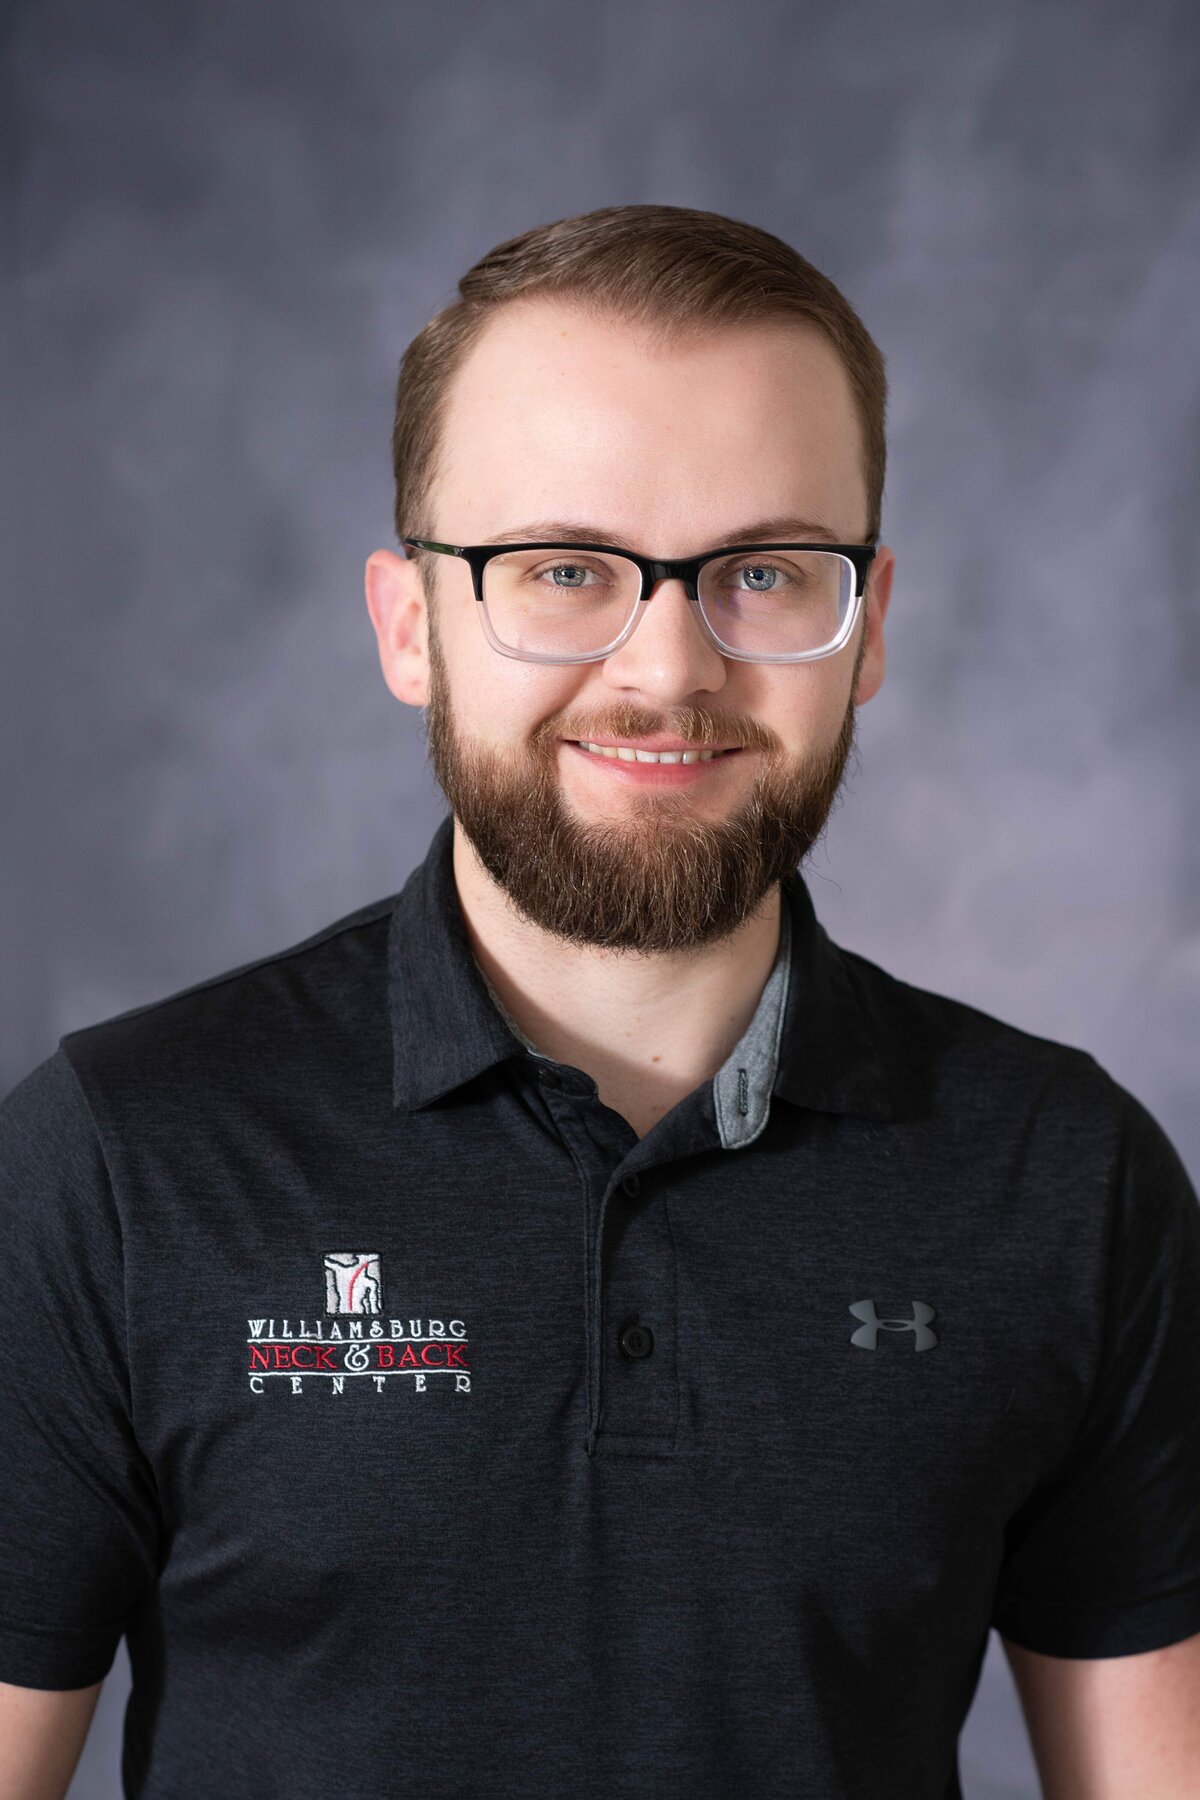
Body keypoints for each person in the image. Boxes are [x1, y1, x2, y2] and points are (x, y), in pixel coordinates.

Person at [1, 203, 1197, 1800]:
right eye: (564, 569)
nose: (669, 671)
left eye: (764, 572)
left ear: (869, 627)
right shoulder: (116, 1161)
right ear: (410, 626)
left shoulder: (1066, 1178)